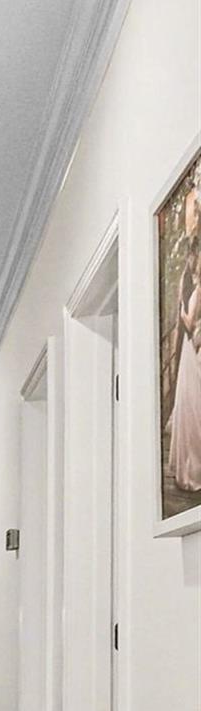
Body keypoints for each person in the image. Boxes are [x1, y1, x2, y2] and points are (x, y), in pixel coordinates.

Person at [166, 186, 201, 494]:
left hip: (193, 348)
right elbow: (190, 322)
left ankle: (191, 467)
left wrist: (183, 312)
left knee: (191, 405)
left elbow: (190, 321)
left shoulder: (196, 289)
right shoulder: (193, 286)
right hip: (192, 348)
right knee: (190, 406)